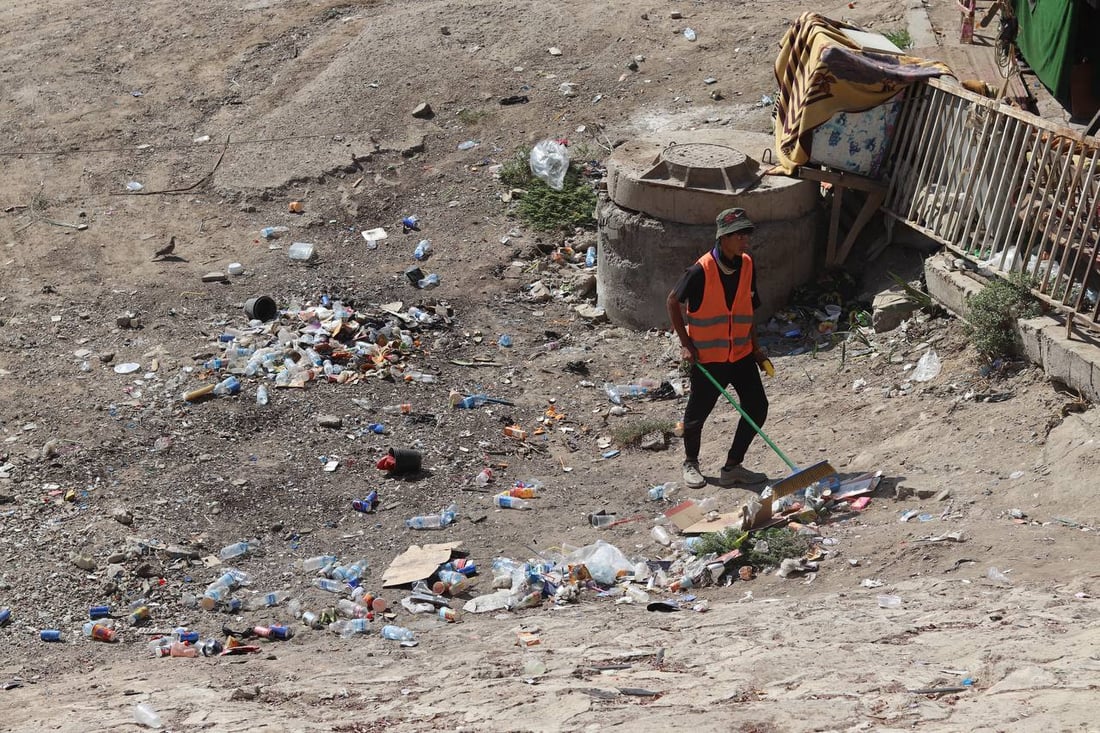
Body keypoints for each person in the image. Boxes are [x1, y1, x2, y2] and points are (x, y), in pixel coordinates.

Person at [666, 207, 771, 489]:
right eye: (739, 235)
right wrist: (685, 344)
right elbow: (673, 301)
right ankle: (691, 463)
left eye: (746, 234)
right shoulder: (700, 270)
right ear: (723, 237)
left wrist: (756, 348)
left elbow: (748, 309)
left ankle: (733, 466)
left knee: (758, 407)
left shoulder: (747, 264)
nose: (744, 240)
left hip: (741, 355)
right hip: (708, 358)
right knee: (697, 414)